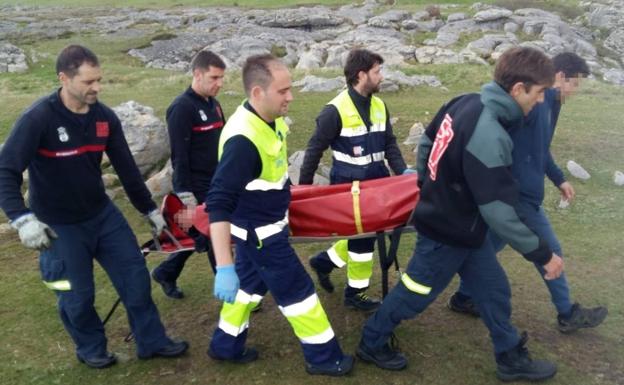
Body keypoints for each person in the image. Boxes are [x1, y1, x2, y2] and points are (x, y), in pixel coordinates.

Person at [357, 47, 564, 382]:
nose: (541, 101)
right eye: (539, 92)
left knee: (494, 290)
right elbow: (499, 212)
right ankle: (372, 341)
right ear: (518, 90)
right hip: (445, 234)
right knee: (414, 294)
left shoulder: (465, 101)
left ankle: (510, 357)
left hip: (467, 230)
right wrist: (543, 254)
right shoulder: (491, 134)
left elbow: (425, 143)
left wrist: (427, 184)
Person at [0, 45, 188, 369]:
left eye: (99, 80)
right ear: (64, 78)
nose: (96, 88)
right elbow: (6, 169)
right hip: (58, 225)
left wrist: (150, 210)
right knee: (76, 295)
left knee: (135, 279)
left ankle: (152, 340)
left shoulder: (104, 118)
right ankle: (90, 348)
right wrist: (22, 219)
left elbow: (127, 169)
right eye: (88, 82)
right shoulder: (39, 118)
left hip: (102, 215)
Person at [205, 54, 353, 376]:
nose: (291, 96)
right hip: (263, 239)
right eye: (283, 90)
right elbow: (217, 204)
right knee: (299, 295)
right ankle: (325, 359)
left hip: (259, 232)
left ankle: (224, 346)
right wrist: (223, 266)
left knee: (246, 291)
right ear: (258, 93)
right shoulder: (243, 141)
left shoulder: (268, 120)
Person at [447, 52, 608, 333]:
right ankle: (567, 312)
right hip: (519, 197)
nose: (576, 91)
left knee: (489, 246)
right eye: (576, 84)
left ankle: (464, 297)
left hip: (524, 195)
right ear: (559, 77)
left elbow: (540, 148)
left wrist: (558, 178)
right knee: (550, 251)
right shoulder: (533, 104)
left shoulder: (551, 104)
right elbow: (508, 146)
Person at [299, 49, 413, 312]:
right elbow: (314, 149)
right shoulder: (334, 111)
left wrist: (402, 173)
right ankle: (355, 294)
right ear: (362, 75)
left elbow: (390, 144)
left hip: (378, 186)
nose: (381, 77)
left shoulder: (379, 105)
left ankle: (324, 262)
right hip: (349, 190)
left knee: (366, 238)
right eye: (377, 72)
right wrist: (303, 189)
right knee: (363, 243)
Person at [151, 50, 226, 299]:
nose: (219, 83)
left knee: (197, 238)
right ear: (197, 74)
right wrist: (185, 195)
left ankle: (165, 273)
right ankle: (230, 293)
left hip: (217, 184)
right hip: (194, 188)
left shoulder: (214, 105)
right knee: (212, 236)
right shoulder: (181, 108)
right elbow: (179, 156)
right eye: (214, 77)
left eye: (221, 78)